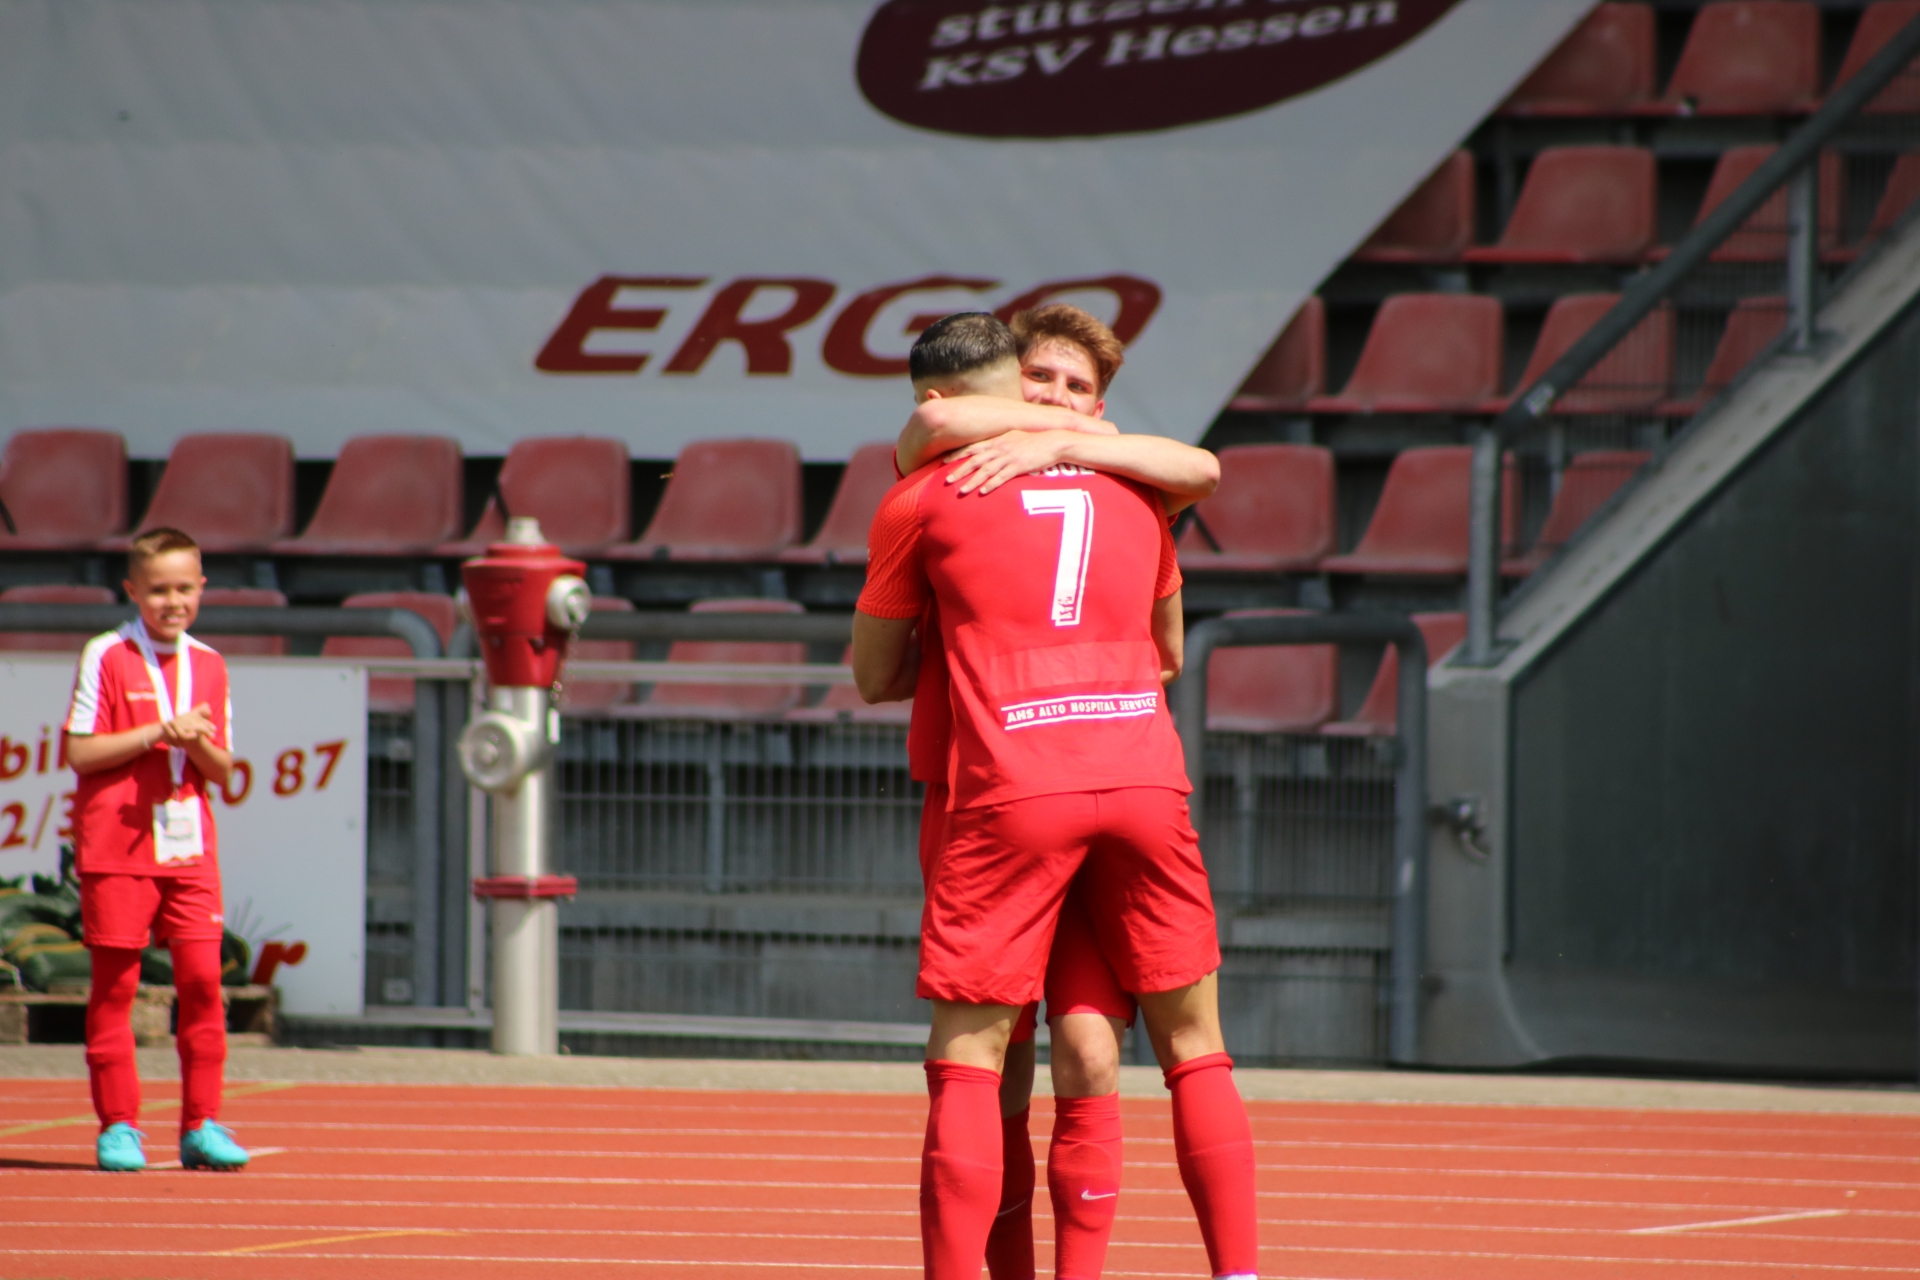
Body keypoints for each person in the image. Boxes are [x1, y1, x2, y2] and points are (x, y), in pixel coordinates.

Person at [855, 314, 1258, 1280]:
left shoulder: (928, 492)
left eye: (1077, 391)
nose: (1051, 403)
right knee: (1153, 1046)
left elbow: (873, 676)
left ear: (1102, 408)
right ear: (1003, 382)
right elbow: (1168, 649)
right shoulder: (1138, 494)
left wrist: (982, 654)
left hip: (998, 791)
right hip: (1135, 781)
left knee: (990, 1055)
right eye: (1039, 381)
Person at [64, 526, 251, 1173]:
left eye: (184, 587)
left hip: (189, 847)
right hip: (116, 845)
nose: (172, 601)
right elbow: (80, 753)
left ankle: (201, 1123)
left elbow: (222, 770)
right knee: (116, 989)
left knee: (202, 984)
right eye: (158, 589)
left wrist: (192, 741)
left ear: (202, 587)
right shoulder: (106, 655)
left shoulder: (212, 663)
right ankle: (119, 1127)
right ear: (133, 591)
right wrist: (156, 732)